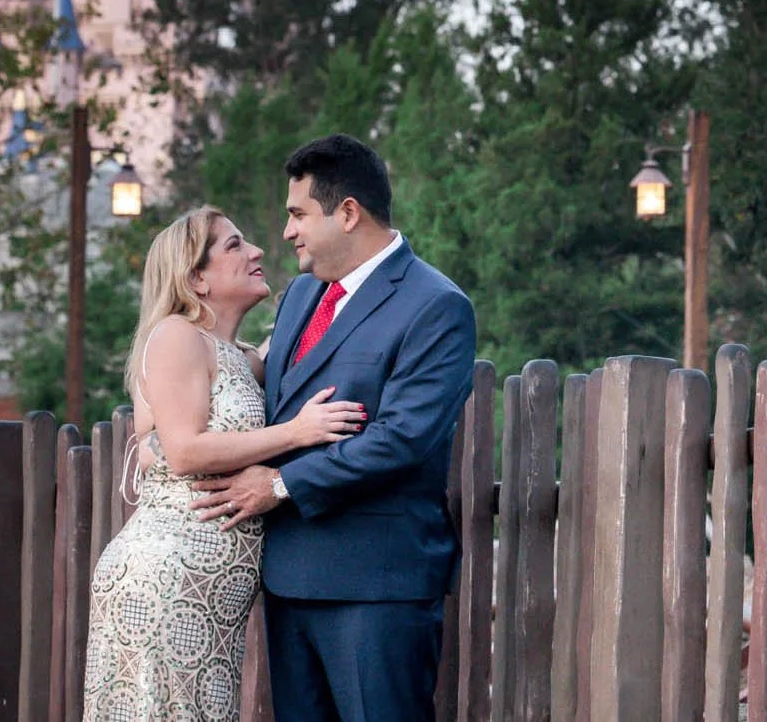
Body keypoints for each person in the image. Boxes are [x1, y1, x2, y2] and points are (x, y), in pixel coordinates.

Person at [189, 134, 477, 722]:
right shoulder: (300, 296)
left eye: (298, 215)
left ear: (347, 213)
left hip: (377, 586)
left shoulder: (436, 305)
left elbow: (401, 439)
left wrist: (278, 486)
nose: (286, 232)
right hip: (289, 580)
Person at [83, 205, 366, 722]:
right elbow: (184, 450)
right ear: (196, 278)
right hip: (167, 582)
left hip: (209, 600)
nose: (256, 251)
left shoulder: (239, 355)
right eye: (234, 245)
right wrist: (297, 431)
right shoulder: (176, 335)